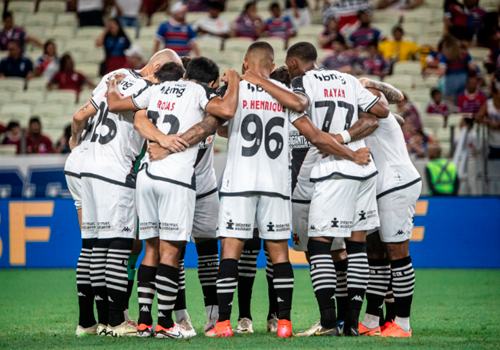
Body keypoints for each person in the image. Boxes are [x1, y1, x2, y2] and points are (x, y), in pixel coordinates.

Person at [241, 41, 390, 337]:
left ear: (293, 64)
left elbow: (315, 136)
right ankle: (351, 323)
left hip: (328, 173)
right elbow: (380, 112)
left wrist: (336, 143)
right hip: (363, 171)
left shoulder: (301, 84)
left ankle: (327, 322)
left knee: (318, 245)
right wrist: (346, 137)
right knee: (356, 245)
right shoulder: (348, 79)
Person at [107, 57, 240, 339]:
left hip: (148, 175)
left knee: (152, 249)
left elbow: (124, 108)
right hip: (178, 180)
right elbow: (225, 111)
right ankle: (169, 322)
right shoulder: (202, 93)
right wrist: (237, 80)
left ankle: (145, 321)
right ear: (212, 82)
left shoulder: (159, 89)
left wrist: (110, 87)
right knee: (172, 253)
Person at [67, 48, 184, 338]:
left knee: (93, 246)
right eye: (170, 74)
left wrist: (74, 139)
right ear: (157, 67)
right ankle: (116, 321)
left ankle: (90, 322)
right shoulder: (150, 89)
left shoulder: (113, 76)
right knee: (118, 247)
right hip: (116, 172)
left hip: (88, 167)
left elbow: (80, 115)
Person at [346, 83, 421, 338]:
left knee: (397, 254)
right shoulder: (363, 117)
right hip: (379, 188)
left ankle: (403, 323)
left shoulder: (374, 115)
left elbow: (396, 96)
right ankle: (371, 320)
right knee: (375, 254)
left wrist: (365, 83)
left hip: (396, 183)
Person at [475, 80, 500, 160]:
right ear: (495, 93)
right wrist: (488, 122)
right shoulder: (488, 104)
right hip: (492, 145)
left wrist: (498, 125)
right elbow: (478, 118)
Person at [453, 116, 477, 194]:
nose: (461, 125)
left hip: (470, 159)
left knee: (471, 180)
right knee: (461, 179)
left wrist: (474, 158)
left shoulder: (473, 134)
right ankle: (460, 196)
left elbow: (475, 147)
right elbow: (457, 146)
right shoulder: (459, 133)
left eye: (462, 123)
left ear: (467, 124)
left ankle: (474, 197)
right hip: (460, 159)